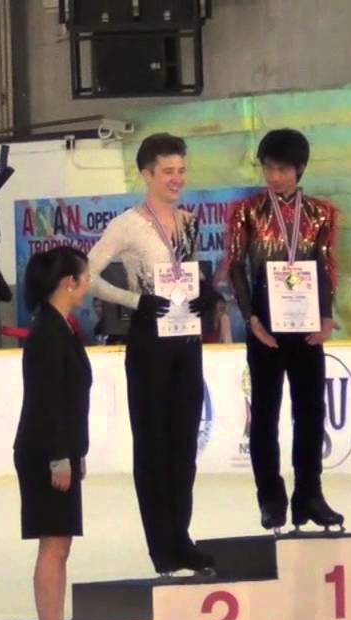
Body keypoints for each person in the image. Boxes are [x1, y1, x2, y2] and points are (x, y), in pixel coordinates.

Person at [86, 133, 220, 577]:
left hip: (186, 338)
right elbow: (87, 275)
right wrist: (135, 301)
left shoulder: (189, 222)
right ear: (146, 174)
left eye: (181, 170)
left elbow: (188, 272)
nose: (177, 179)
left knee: (183, 444)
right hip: (149, 340)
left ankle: (181, 538)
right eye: (167, 172)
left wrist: (206, 294)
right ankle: (161, 545)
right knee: (153, 445)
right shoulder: (127, 225)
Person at [225, 128, 343, 533]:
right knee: (264, 414)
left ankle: (310, 495)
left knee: (311, 413)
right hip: (264, 329)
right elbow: (235, 266)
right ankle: (270, 499)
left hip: (306, 326)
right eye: (269, 168)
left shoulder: (321, 213)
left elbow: (325, 266)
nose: (275, 177)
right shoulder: (247, 211)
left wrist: (326, 316)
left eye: (283, 169)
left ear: (300, 168)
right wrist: (250, 319)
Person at [13, 246, 92, 620]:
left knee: (60, 546)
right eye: (85, 277)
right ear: (68, 283)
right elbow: (48, 401)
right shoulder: (47, 332)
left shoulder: (61, 327)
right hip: (45, 451)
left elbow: (70, 399)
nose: (89, 284)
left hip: (60, 448)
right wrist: (60, 457)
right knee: (53, 545)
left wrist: (77, 452)